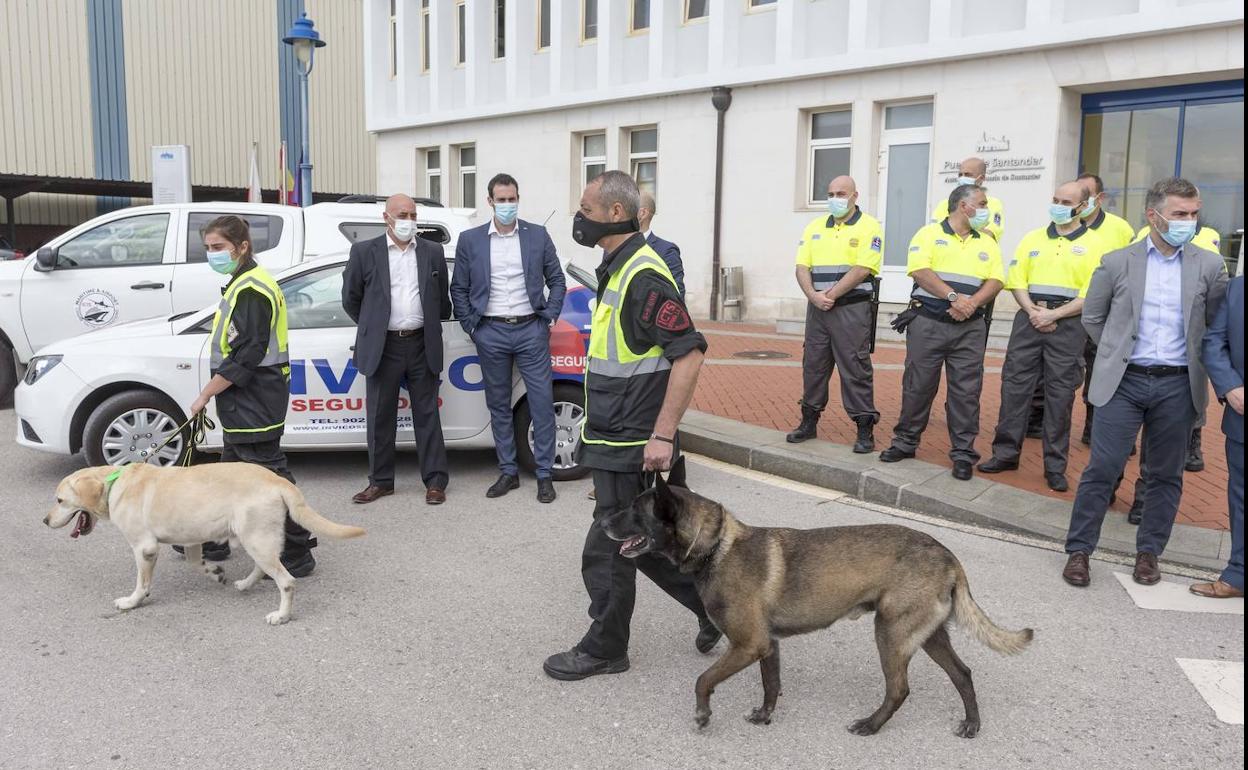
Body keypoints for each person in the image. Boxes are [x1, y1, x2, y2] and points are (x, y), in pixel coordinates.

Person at [543, 171, 719, 681]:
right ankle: (713, 609)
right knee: (643, 543)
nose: (579, 217)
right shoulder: (617, 265)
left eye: (585, 209)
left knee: (609, 545)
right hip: (612, 431)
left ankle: (605, 647)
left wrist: (663, 435)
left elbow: (689, 355)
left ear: (615, 214)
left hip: (634, 438)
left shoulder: (644, 275)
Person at [1062, 177, 1228, 588]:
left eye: (1193, 214)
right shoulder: (1118, 262)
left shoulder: (1208, 265)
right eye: (1179, 214)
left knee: (1165, 474)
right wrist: (1117, 351)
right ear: (1153, 216)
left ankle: (1149, 553)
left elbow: (1216, 323)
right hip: (1124, 382)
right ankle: (1079, 550)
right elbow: (1093, 317)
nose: (1188, 221)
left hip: (1178, 385)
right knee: (1103, 467)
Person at [186, 215, 315, 577]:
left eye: (219, 248)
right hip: (248, 399)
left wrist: (204, 396)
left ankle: (299, 549)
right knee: (229, 476)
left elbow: (247, 354)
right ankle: (214, 538)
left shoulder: (252, 290)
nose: (213, 254)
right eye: (209, 248)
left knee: (271, 478)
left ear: (242, 247)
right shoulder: (243, 283)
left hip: (254, 399)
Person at [978, 181, 1106, 492]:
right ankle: (1005, 454)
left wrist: (1054, 315)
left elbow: (1094, 293)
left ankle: (1055, 465)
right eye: (1056, 199)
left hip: (1069, 324)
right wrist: (1034, 311)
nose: (1059, 205)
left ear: (1083, 206)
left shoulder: (1096, 245)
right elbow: (1017, 279)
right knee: (1014, 388)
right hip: (1029, 319)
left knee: (1060, 396)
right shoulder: (1032, 238)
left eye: (1067, 201)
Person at [450, 173, 566, 503]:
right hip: (491, 331)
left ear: (518, 199)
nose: (507, 205)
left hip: (531, 329)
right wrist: (473, 327)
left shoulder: (537, 235)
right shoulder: (471, 240)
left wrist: (550, 315)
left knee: (542, 402)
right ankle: (508, 471)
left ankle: (545, 474)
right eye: (501, 200)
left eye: (511, 199)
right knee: (498, 404)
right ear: (489, 202)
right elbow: (458, 288)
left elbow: (557, 280)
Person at [880, 184, 1004, 480]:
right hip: (929, 323)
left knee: (966, 392)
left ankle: (963, 454)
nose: (986, 209)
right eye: (982, 203)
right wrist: (954, 298)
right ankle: (905, 442)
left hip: (969, 328)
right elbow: (920, 271)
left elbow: (997, 279)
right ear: (964, 206)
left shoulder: (987, 242)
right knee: (918, 385)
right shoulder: (928, 234)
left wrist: (971, 303)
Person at [341, 194, 451, 506]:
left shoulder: (432, 251)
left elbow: (441, 300)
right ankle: (380, 481)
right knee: (380, 415)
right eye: (402, 214)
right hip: (384, 345)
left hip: (421, 342)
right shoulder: (365, 251)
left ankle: (435, 481)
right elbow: (351, 298)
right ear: (386, 217)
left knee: (427, 414)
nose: (408, 220)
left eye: (413, 215)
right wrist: (373, 326)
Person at [786, 175, 882, 452]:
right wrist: (813, 296)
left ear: (855, 196)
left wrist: (830, 295)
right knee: (813, 366)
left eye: (841, 193)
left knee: (855, 368)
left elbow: (863, 268)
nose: (835, 199)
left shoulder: (869, 226)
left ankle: (864, 428)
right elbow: (802, 267)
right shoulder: (815, 227)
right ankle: (808, 422)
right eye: (830, 193)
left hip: (851, 309)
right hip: (818, 310)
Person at [1073, 173, 1137, 446]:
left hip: (1106, 314)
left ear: (1100, 198)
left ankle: (1095, 427)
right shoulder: (1063, 223)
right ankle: (1038, 421)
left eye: (1088, 194)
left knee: (1102, 370)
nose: (1083, 199)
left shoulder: (1120, 228)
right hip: (1071, 311)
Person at [1192, 274, 1244, 598]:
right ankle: (1238, 576)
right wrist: (1230, 386)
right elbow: (1213, 342)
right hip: (1242, 415)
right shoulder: (1237, 289)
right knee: (1241, 500)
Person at [930, 157, 1005, 241]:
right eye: (960, 175)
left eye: (967, 175)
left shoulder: (993, 203)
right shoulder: (944, 204)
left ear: (981, 178)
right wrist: (976, 229)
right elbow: (935, 233)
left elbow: (990, 235)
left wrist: (956, 227)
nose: (962, 178)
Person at [638, 191, 685, 297]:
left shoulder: (666, 251)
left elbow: (677, 296)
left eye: (629, 209)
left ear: (642, 213)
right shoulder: (612, 249)